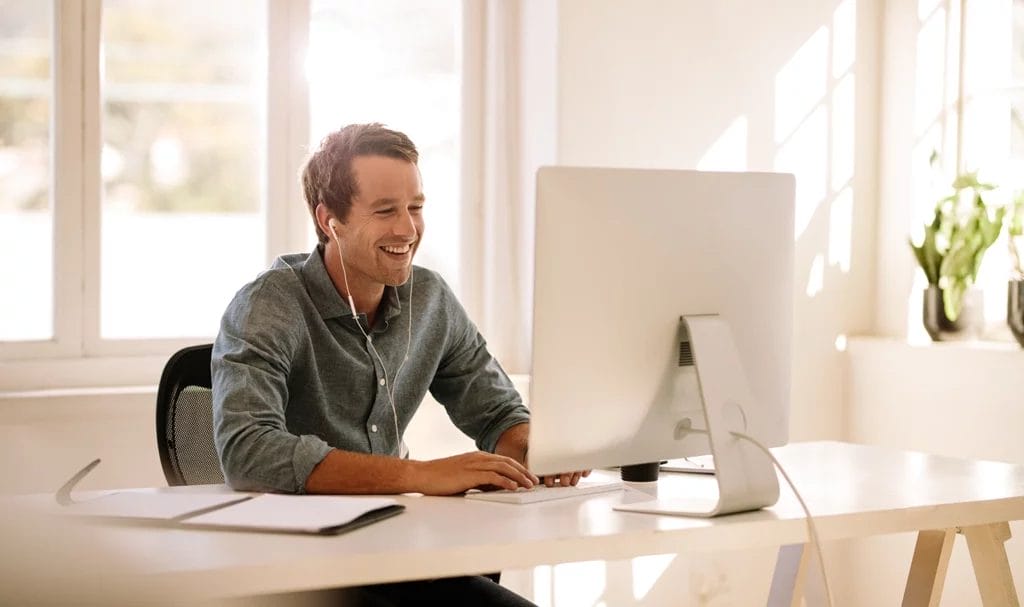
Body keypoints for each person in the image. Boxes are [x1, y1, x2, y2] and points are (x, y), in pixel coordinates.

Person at [212, 122, 586, 606]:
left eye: (415, 207)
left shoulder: (429, 298)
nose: (408, 229)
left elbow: (498, 415)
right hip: (297, 576)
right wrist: (419, 476)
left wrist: (542, 451)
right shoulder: (268, 306)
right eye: (385, 210)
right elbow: (249, 452)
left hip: (401, 558)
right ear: (330, 220)